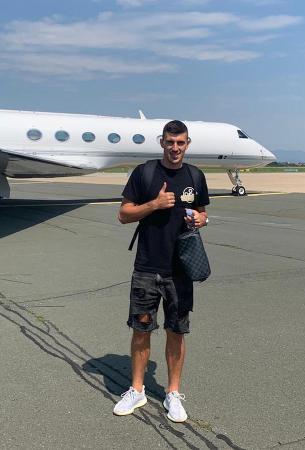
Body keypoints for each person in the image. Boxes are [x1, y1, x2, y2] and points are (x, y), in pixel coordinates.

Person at [114, 120, 209, 422]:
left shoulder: (195, 176)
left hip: (181, 270)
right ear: (162, 142)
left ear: (187, 144)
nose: (175, 148)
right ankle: (137, 389)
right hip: (147, 267)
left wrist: (202, 220)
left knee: (176, 331)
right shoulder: (145, 173)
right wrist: (154, 204)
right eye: (170, 142)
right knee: (141, 329)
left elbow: (203, 212)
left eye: (180, 143)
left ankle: (173, 393)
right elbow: (123, 214)